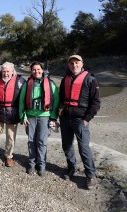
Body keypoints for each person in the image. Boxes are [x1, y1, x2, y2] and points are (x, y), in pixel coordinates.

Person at [59, 55, 101, 190]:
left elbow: (96, 102)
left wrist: (86, 118)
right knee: (67, 146)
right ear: (68, 65)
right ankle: (71, 168)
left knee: (84, 148)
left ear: (81, 63)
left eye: (76, 63)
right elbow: (60, 98)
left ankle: (91, 175)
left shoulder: (90, 79)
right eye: (71, 63)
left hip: (80, 120)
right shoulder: (65, 78)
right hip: (65, 118)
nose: (74, 65)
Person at [19, 61, 60, 176]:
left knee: (42, 141)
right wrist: (23, 116)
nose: (36, 72)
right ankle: (32, 164)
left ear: (42, 70)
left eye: (38, 69)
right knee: (31, 141)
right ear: (31, 71)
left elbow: (56, 100)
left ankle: (41, 165)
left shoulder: (50, 83)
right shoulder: (27, 84)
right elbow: (22, 101)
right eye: (34, 70)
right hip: (30, 116)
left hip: (45, 117)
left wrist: (53, 117)